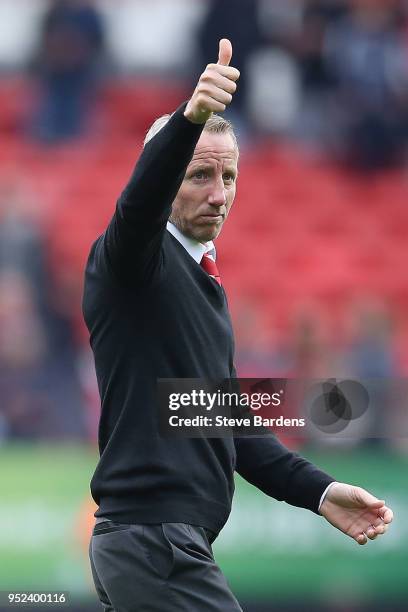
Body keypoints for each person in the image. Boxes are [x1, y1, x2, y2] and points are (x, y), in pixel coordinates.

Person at [82, 39, 393, 612]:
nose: (218, 195)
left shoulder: (202, 285)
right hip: (154, 542)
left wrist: (319, 492)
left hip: (163, 544)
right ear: (166, 174)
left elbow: (228, 424)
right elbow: (137, 207)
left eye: (228, 177)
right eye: (199, 174)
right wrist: (190, 118)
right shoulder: (131, 262)